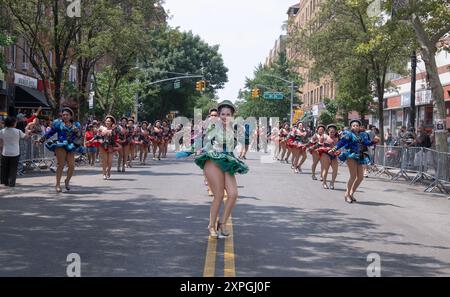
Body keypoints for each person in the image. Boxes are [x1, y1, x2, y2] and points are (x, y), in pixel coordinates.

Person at [195, 100, 249, 238]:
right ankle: (211, 226)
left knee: (233, 194)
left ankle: (222, 223)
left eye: (228, 114)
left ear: (232, 115)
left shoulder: (235, 128)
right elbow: (201, 141)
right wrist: (191, 150)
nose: (225, 116)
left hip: (228, 161)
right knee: (218, 195)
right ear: (219, 115)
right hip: (213, 160)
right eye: (223, 114)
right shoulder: (213, 126)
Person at [329, 119, 379, 203]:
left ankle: (351, 193)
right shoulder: (348, 134)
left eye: (357, 125)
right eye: (354, 125)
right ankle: (347, 194)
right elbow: (341, 142)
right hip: (351, 155)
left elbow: (366, 143)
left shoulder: (363, 135)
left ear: (359, 127)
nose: (355, 127)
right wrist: (334, 149)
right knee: (353, 176)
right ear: (351, 127)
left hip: (360, 156)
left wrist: (374, 141)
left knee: (360, 177)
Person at [39, 107, 83, 192]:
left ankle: (67, 181)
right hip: (61, 145)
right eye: (63, 115)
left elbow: (79, 136)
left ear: (71, 116)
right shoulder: (58, 124)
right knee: (61, 165)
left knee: (71, 165)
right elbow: (50, 133)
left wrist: (77, 131)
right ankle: (58, 184)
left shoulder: (76, 124)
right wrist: (41, 140)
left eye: (67, 115)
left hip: (71, 145)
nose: (65, 116)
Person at [0, 117, 31, 187]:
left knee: (5, 168)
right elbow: (26, 137)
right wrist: (26, 130)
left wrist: (1, 151)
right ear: (13, 123)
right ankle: (12, 183)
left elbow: (1, 143)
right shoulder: (18, 131)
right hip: (15, 152)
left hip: (5, 152)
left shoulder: (2, 131)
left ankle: (5, 182)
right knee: (13, 168)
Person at [93, 115, 120, 180]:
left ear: (111, 122)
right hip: (102, 146)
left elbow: (116, 136)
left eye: (109, 121)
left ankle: (109, 171)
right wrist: (92, 140)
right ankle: (104, 174)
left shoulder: (115, 129)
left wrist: (113, 129)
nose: (107, 122)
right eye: (106, 121)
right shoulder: (101, 128)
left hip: (111, 146)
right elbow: (97, 136)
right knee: (104, 160)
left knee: (110, 161)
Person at [320, 124, 340, 190]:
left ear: (335, 132)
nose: (332, 133)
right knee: (325, 169)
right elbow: (319, 145)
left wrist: (338, 151)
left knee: (335, 170)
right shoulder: (325, 137)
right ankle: (324, 182)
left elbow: (339, 147)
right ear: (328, 132)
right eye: (331, 132)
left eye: (333, 132)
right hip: (326, 155)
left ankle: (332, 182)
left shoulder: (337, 139)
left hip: (334, 155)